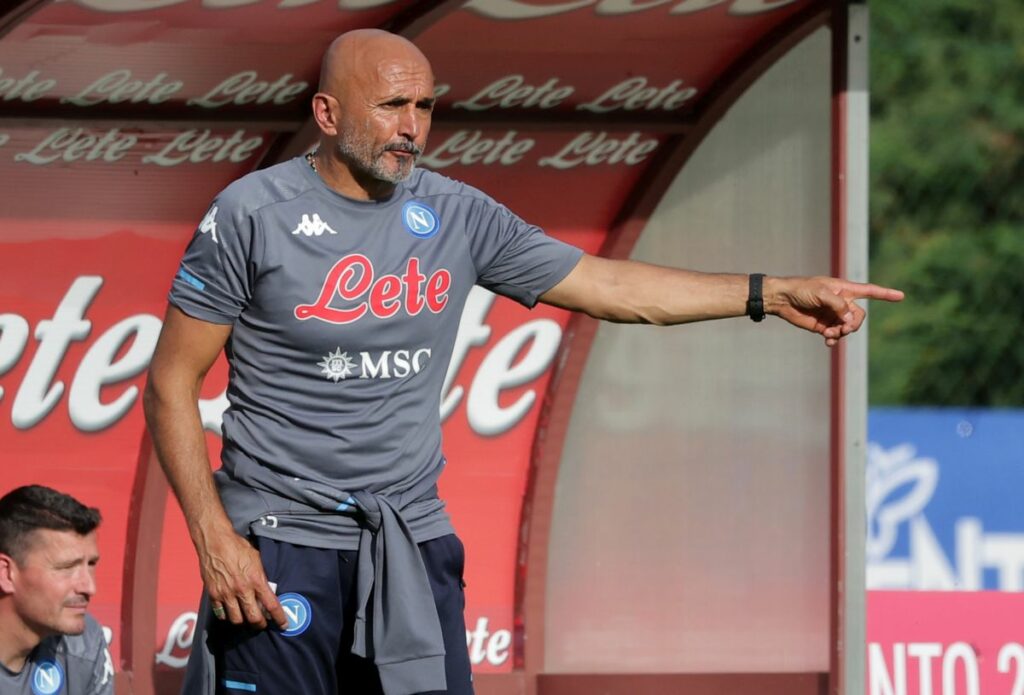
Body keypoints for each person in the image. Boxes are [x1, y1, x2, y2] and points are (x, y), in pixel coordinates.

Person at [143, 28, 904, 695]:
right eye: (391, 106)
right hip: (280, 541)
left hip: (410, 541)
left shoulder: (457, 212)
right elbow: (172, 383)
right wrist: (214, 538)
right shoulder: (251, 213)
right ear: (327, 113)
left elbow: (611, 287)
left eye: (425, 107)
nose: (412, 127)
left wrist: (770, 292)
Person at [0, 485, 113, 695]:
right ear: (6, 573)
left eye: (91, 564)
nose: (90, 587)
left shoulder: (83, 645)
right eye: (67, 567)